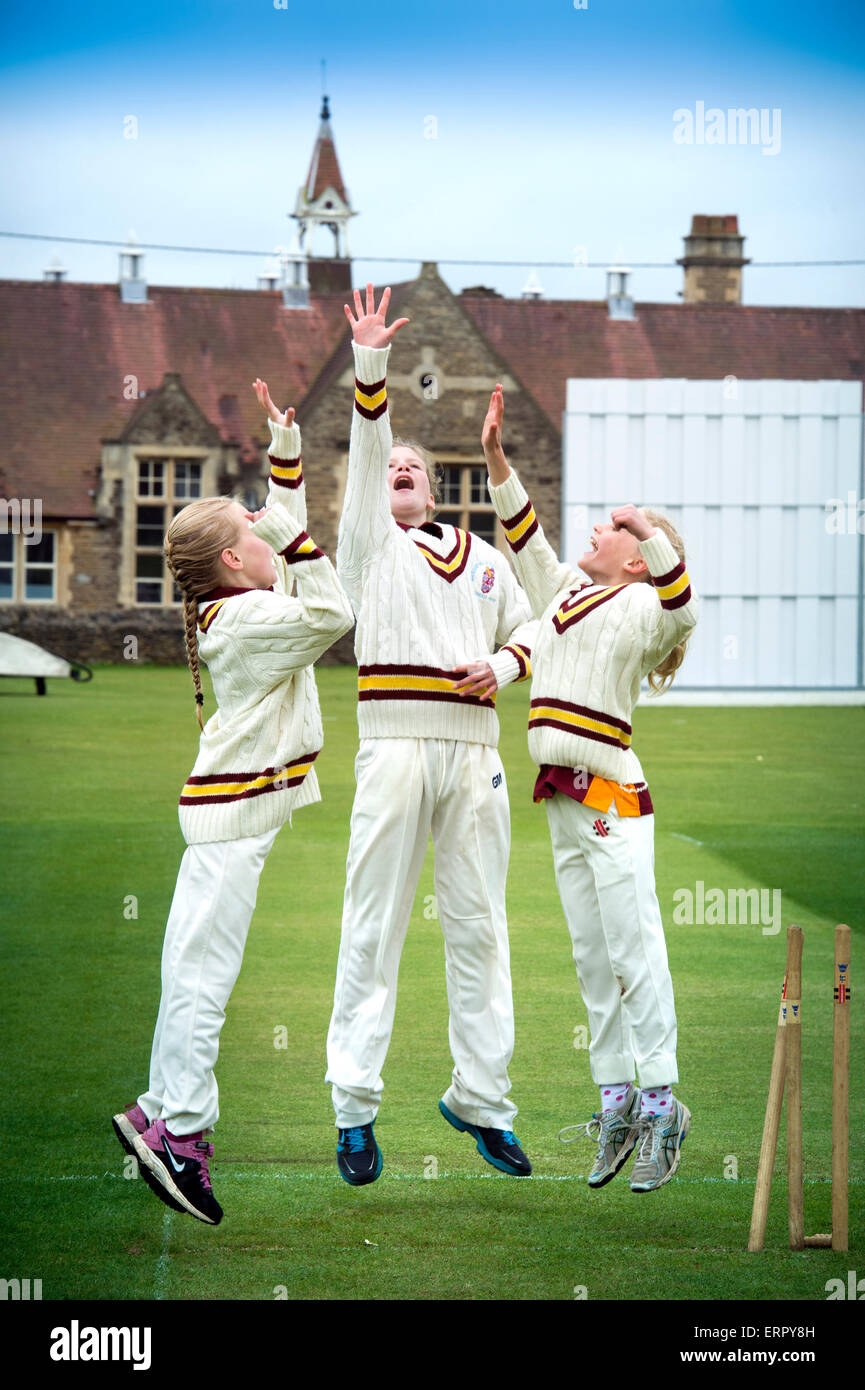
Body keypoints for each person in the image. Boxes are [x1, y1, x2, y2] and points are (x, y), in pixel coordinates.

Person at [112, 386, 354, 1224]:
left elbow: (285, 565)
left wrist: (285, 450)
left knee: (190, 967)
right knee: (202, 980)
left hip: (229, 810)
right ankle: (181, 1133)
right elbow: (332, 609)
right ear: (232, 562)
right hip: (236, 811)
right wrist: (299, 533)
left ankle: (155, 1108)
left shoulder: (241, 601)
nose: (266, 539)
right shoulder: (251, 617)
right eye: (252, 534)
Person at [325, 286, 537, 1184]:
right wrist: (370, 368)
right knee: (373, 921)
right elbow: (372, 442)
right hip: (396, 746)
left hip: (476, 754)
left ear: (435, 483)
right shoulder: (368, 545)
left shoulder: (484, 558)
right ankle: (352, 1108)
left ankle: (481, 1101)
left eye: (413, 465)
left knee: (480, 923)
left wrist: (508, 667)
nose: (399, 468)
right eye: (388, 466)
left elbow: (537, 625)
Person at [482, 381, 698, 1194]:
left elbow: (684, 612)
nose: (596, 531)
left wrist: (648, 529)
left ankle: (662, 1102)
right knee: (590, 953)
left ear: (634, 558)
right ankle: (615, 1101)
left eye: (610, 530)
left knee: (634, 947)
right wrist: (497, 457)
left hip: (612, 795)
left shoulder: (643, 604)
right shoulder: (565, 593)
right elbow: (522, 533)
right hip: (563, 797)